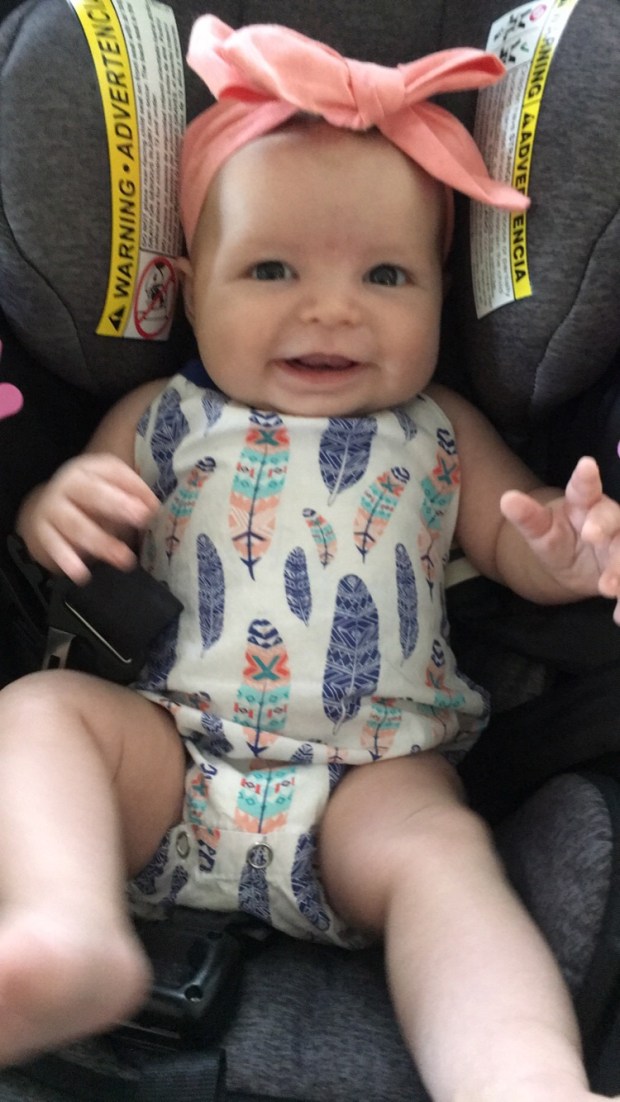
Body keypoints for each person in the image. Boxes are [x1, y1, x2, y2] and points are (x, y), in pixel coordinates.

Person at [0, 16, 618, 1100]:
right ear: (189, 289)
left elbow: (516, 547)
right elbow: (75, 544)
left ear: (438, 296)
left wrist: (570, 554)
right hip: (166, 757)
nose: (331, 308)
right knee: (39, 715)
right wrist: (56, 508)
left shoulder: (440, 431)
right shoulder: (157, 418)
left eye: (386, 275)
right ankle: (62, 925)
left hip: (371, 786)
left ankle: (520, 1075)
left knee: (444, 862)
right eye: (271, 268)